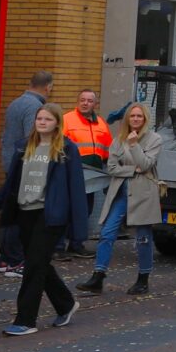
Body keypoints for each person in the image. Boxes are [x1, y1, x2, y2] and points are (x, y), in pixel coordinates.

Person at [0, 104, 87, 336]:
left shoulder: (66, 149)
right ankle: (65, 303)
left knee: (33, 265)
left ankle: (26, 320)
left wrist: (78, 229)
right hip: (25, 212)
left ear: (57, 123)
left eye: (47, 119)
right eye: (39, 118)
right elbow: (11, 181)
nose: (42, 122)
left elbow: (76, 187)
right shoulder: (25, 146)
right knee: (38, 263)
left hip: (50, 214)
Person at [88, 102, 165, 296]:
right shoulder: (118, 140)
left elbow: (146, 164)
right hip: (120, 192)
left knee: (143, 238)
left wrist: (134, 145)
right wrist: (132, 170)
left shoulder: (154, 139)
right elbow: (112, 167)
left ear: (145, 119)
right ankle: (98, 275)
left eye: (139, 116)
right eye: (132, 116)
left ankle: (143, 278)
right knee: (107, 232)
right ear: (127, 119)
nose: (136, 119)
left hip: (143, 194)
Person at [0, 71, 55, 275]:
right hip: (25, 165)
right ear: (48, 87)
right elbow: (33, 137)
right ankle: (15, 260)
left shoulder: (15, 103)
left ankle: (4, 259)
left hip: (10, 160)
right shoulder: (35, 107)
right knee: (22, 212)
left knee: (11, 209)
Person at [59, 88, 112, 257]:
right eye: (82, 100)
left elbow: (108, 148)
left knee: (84, 210)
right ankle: (58, 247)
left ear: (95, 104)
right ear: (78, 101)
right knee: (65, 210)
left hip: (92, 175)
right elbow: (58, 145)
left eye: (89, 101)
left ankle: (76, 244)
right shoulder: (67, 119)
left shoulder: (101, 123)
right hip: (70, 172)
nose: (85, 103)